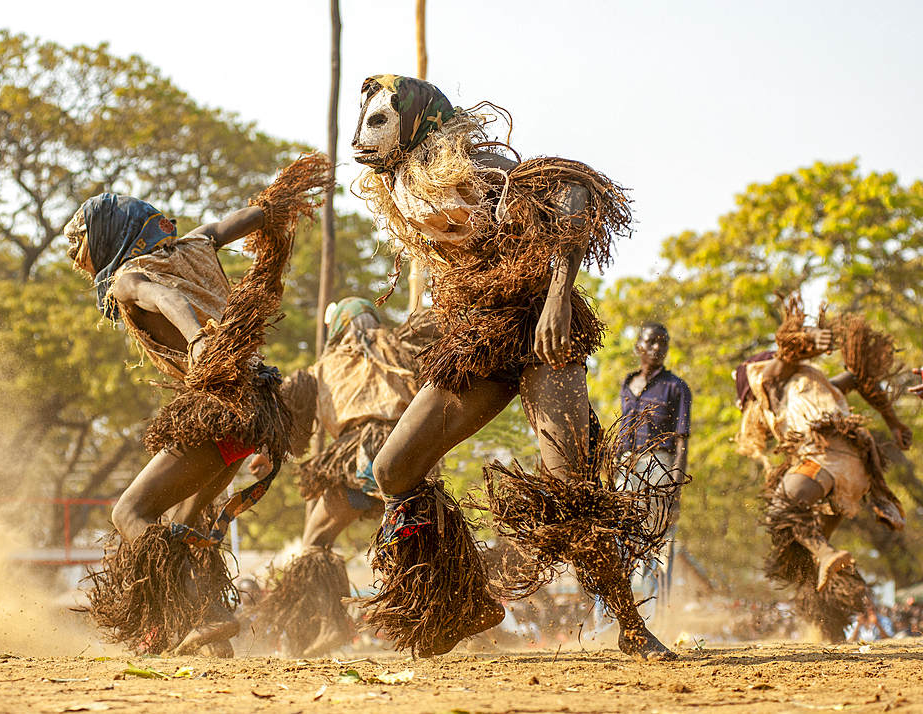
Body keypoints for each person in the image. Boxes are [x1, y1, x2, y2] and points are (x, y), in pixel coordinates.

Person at [350, 74, 675, 660]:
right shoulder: (403, 187)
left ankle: (630, 625)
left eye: (378, 122)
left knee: (573, 484)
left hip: (539, 327)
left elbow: (572, 190)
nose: (361, 136)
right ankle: (460, 600)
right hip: (480, 336)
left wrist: (557, 295)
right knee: (393, 471)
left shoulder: (473, 161)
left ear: (417, 120)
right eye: (365, 120)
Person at [67, 155, 330, 656]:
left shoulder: (128, 276)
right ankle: (211, 635)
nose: (75, 254)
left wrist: (196, 341)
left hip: (217, 410)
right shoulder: (197, 245)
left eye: (78, 240)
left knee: (130, 513)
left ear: (106, 234)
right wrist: (277, 204)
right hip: (256, 410)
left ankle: (195, 607)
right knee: (189, 525)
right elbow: (234, 222)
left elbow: (164, 298)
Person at [256, 297, 426, 658]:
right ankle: (446, 614)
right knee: (418, 537)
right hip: (407, 457)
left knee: (316, 540)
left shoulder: (321, 370)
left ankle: (332, 623)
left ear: (337, 328)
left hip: (360, 458)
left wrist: (264, 452)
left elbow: (289, 423)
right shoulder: (401, 348)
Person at [735, 299, 911, 642]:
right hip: (857, 471)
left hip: (825, 458)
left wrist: (804, 340)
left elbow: (781, 361)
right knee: (806, 556)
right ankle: (833, 630)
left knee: (782, 506)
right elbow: (861, 377)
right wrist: (893, 422)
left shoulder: (770, 381)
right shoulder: (821, 382)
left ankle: (828, 555)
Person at [618, 322, 691, 611]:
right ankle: (610, 621)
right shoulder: (627, 382)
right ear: (639, 347)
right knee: (619, 539)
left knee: (655, 543)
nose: (657, 348)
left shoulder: (676, 387)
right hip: (625, 465)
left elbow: (682, 440)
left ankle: (653, 618)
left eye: (663, 342)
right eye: (651, 342)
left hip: (659, 464)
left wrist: (675, 490)